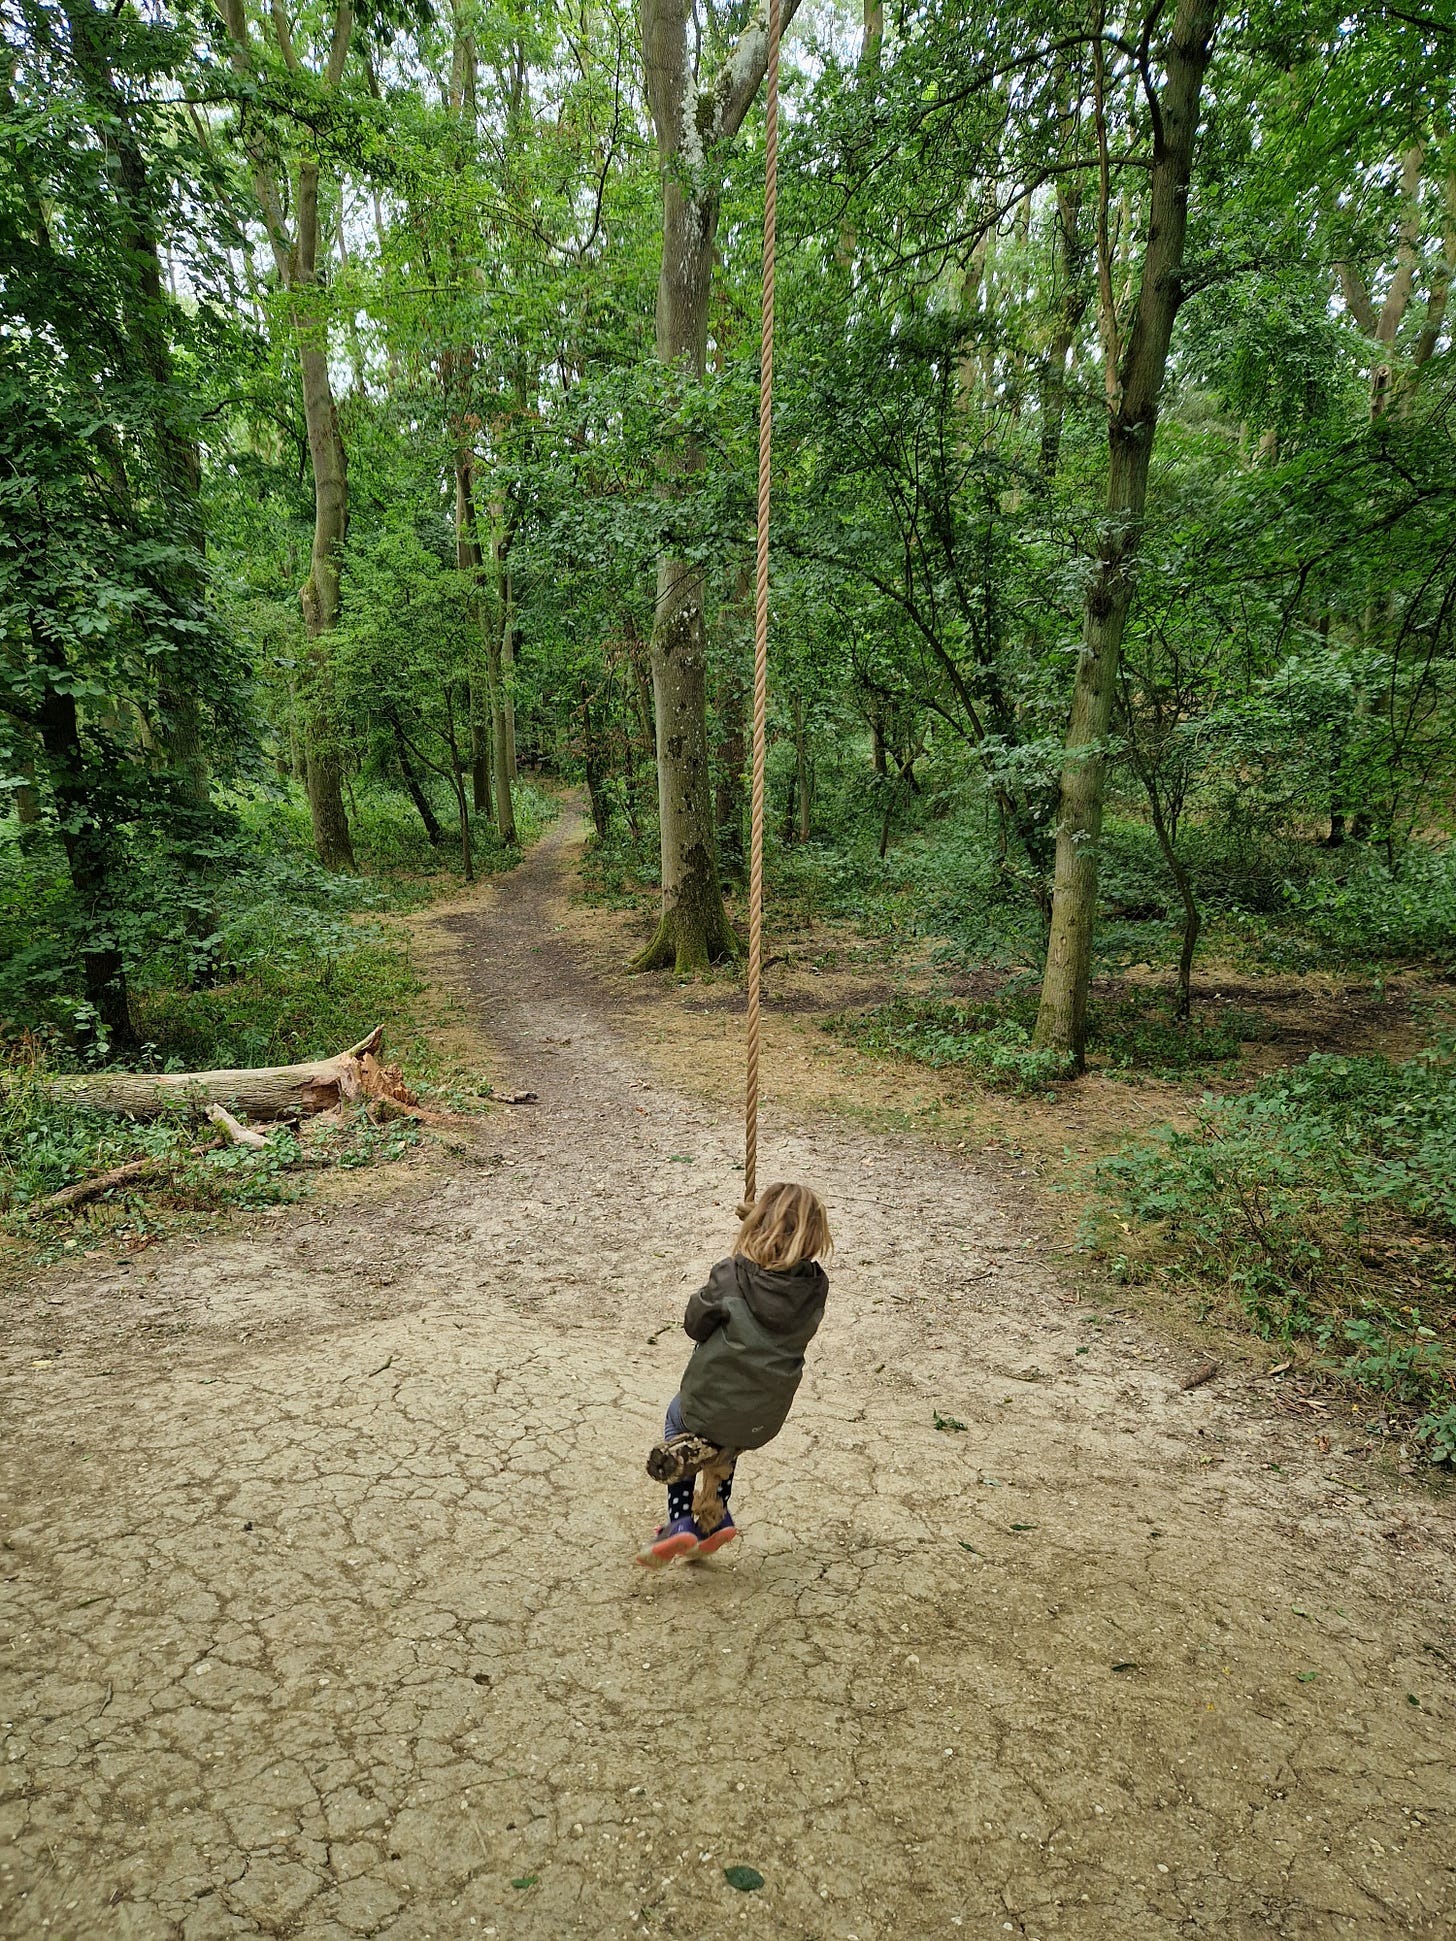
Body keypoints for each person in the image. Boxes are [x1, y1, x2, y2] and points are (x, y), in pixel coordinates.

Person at [638, 1181, 832, 1565]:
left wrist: (748, 1243)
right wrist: (760, 1233)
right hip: (765, 1417)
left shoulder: (731, 1274)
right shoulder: (816, 1286)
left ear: (758, 1227)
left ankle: (681, 1522)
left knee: (681, 1420)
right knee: (729, 1433)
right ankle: (715, 1515)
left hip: (711, 1406)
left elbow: (695, 1324)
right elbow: (779, 1271)